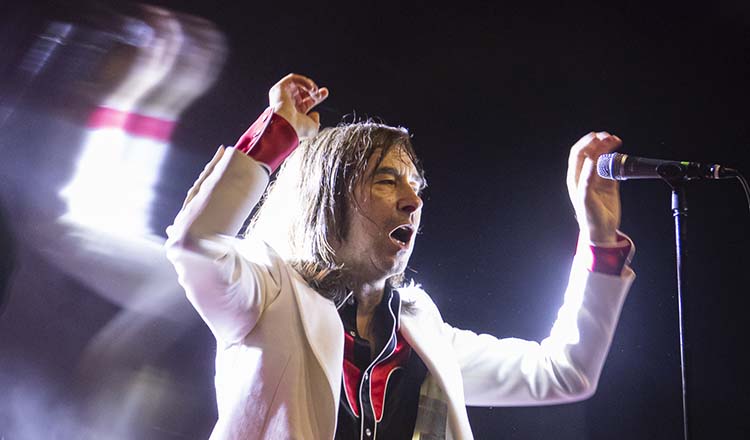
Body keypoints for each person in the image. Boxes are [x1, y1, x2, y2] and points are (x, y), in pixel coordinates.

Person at [166, 73, 635, 440]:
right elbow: (196, 243)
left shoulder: (420, 333)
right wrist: (277, 134)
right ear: (327, 199)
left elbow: (563, 373)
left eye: (416, 187)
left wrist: (598, 241)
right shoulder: (269, 296)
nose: (413, 201)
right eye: (387, 181)